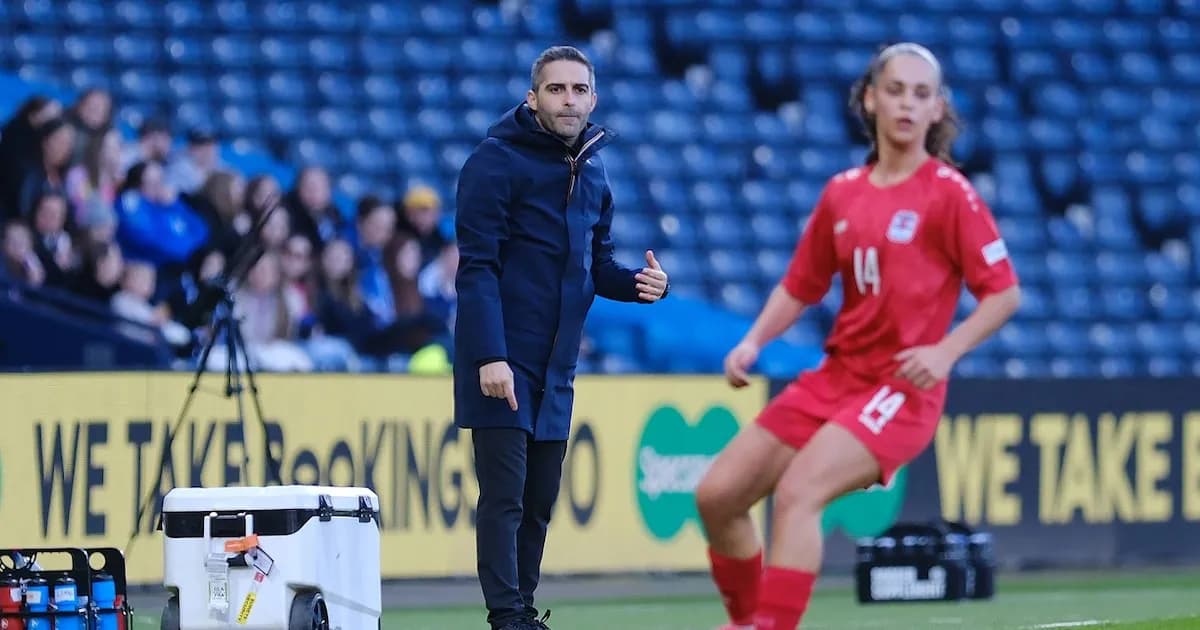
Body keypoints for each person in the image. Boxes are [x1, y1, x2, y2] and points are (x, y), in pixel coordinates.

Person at [695, 43, 1021, 630]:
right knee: (718, 495)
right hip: (837, 378)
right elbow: (801, 285)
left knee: (798, 493)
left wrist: (946, 351)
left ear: (937, 111)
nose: (907, 103)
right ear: (870, 99)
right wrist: (753, 342)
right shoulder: (843, 192)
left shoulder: (951, 195)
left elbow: (1004, 293)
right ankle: (745, 622)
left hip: (902, 390)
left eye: (922, 95)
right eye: (896, 90)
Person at [454, 45, 671, 630]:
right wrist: (489, 355)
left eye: (579, 90)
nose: (568, 100)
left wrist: (640, 284)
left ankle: (522, 611)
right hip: (502, 358)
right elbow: (476, 269)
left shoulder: (594, 170)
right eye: (556, 89)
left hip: (557, 367)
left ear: (593, 99)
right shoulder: (493, 162)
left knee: (539, 501)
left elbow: (596, 267)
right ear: (533, 97)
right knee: (504, 498)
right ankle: (507, 618)